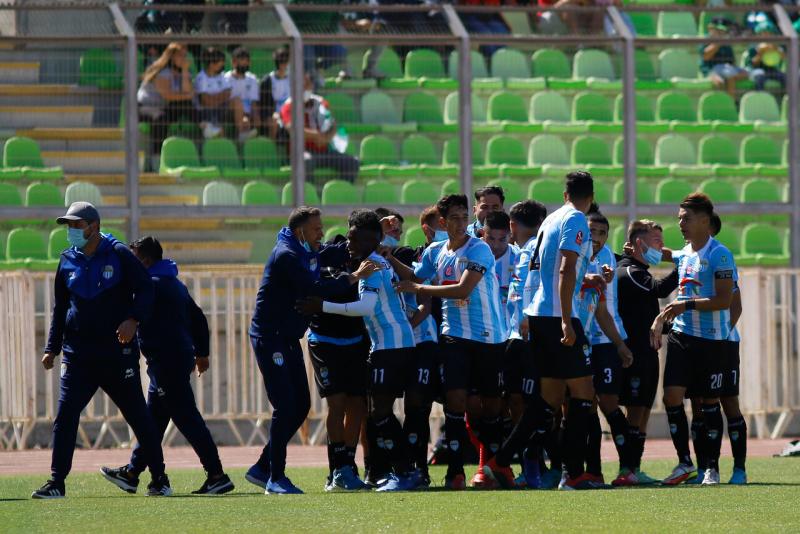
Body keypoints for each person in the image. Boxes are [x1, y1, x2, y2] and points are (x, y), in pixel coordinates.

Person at [32, 202, 169, 499]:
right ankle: (56, 482)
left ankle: (159, 478)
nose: (71, 232)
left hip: (116, 355)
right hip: (78, 355)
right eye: (68, 226)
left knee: (138, 416)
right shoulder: (66, 260)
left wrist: (134, 319)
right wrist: (52, 347)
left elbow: (146, 288)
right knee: (65, 415)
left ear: (94, 226)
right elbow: (60, 308)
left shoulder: (118, 254)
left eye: (76, 225)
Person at [483, 171, 604, 491]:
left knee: (548, 398)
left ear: (565, 194)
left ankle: (500, 460)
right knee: (583, 393)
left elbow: (545, 270)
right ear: (589, 197)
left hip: (539, 314)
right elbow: (566, 268)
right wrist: (567, 319)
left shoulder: (551, 220)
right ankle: (574, 474)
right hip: (557, 315)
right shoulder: (577, 219)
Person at [247, 206, 378, 495]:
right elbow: (317, 288)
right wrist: (354, 276)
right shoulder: (288, 256)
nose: (321, 233)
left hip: (288, 339)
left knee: (301, 407)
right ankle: (275, 478)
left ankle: (262, 468)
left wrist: (367, 237)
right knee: (285, 407)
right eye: (317, 228)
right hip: (271, 340)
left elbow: (325, 255)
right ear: (300, 231)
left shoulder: (300, 250)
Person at [99, 237, 233, 496]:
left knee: (186, 418)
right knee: (153, 421)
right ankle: (133, 472)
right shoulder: (173, 283)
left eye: (133, 258)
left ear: (145, 261)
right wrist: (202, 353)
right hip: (173, 359)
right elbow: (198, 318)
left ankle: (217, 475)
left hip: (166, 362)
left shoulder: (152, 286)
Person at [392, 194, 506, 490]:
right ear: (442, 222)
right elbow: (415, 274)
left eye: (464, 217)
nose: (460, 223)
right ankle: (455, 472)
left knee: (489, 408)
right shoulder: (435, 251)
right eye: (454, 218)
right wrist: (386, 257)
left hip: (489, 336)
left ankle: (493, 467)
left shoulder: (479, 249)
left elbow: (463, 290)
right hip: (454, 335)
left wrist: (419, 287)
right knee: (456, 401)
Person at [299, 210, 418, 492]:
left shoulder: (373, 266)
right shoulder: (376, 261)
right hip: (392, 344)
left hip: (391, 345)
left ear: (371, 240)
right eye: (349, 237)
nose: (348, 244)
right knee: (378, 412)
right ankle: (398, 471)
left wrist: (323, 306)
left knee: (380, 413)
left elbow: (364, 307)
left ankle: (405, 472)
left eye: (354, 239)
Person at [652, 193, 736, 486]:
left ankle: (711, 467)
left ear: (704, 220)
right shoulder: (685, 252)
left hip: (711, 340)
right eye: (679, 219)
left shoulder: (720, 254)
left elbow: (725, 300)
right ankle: (685, 463)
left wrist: (684, 305)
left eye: (685, 219)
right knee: (671, 397)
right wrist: (637, 250)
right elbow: (668, 254)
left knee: (709, 402)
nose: (681, 223)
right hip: (682, 335)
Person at [681, 213, 748, 486]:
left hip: (724, 343)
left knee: (728, 402)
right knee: (698, 403)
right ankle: (707, 468)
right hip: (697, 341)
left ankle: (740, 469)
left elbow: (736, 304)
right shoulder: (689, 257)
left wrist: (722, 333)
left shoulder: (720, 256)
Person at [303, 221, 370, 492]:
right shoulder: (323, 258)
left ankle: (346, 466)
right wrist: (352, 277)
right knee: (337, 403)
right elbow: (326, 290)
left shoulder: (371, 258)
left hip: (356, 340)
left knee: (357, 404)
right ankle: (337, 468)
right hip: (325, 341)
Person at [615, 220, 678, 485]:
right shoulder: (629, 271)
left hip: (646, 352)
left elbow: (646, 316)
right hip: (632, 353)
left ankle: (634, 469)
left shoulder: (640, 271)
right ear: (639, 243)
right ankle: (625, 468)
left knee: (641, 412)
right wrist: (684, 263)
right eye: (656, 243)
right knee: (633, 412)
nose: (661, 249)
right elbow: (660, 290)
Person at [582, 208, 636, 487]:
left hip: (605, 339)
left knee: (608, 403)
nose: (597, 237)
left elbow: (604, 294)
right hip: (582, 339)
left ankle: (629, 466)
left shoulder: (606, 260)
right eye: (592, 231)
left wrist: (619, 344)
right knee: (585, 405)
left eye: (602, 233)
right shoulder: (575, 255)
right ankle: (593, 470)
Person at [504, 200, 547, 487]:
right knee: (519, 401)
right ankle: (532, 465)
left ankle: (534, 465)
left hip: (530, 337)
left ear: (512, 226)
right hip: (515, 338)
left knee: (532, 403)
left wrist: (528, 318)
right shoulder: (520, 252)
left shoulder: (536, 249)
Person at [279, 74, 360, 183]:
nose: (305, 88)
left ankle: (339, 194)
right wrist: (317, 136)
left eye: (307, 85)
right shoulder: (288, 106)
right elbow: (292, 129)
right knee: (306, 162)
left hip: (324, 150)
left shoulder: (321, 102)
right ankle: (310, 196)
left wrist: (326, 139)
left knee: (352, 162)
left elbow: (333, 124)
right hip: (302, 152)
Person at [137, 42, 197, 159]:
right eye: (181, 56)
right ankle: (156, 157)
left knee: (185, 104)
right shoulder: (160, 72)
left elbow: (187, 92)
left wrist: (185, 71)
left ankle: (206, 126)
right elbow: (168, 96)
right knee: (160, 118)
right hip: (145, 107)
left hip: (164, 107)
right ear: (172, 57)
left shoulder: (184, 72)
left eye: (185, 56)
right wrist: (188, 95)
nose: (184, 59)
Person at [702, 19, 749, 98]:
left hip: (727, 69)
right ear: (711, 29)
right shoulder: (706, 40)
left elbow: (732, 62)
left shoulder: (726, 44)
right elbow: (706, 56)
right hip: (712, 70)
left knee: (745, 73)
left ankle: (732, 102)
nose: (721, 32)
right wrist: (718, 43)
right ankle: (730, 103)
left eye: (722, 30)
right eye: (718, 30)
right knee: (722, 81)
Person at [194, 46, 233, 139]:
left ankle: (242, 132)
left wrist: (212, 98)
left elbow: (228, 94)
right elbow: (205, 101)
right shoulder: (201, 77)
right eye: (221, 61)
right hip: (205, 111)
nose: (223, 64)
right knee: (209, 108)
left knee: (236, 101)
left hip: (221, 109)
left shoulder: (222, 76)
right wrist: (220, 97)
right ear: (211, 64)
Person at [225, 47, 260, 142]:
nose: (245, 63)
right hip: (229, 113)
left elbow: (253, 103)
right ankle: (242, 134)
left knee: (250, 120)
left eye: (247, 61)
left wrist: (255, 119)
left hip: (247, 114)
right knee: (237, 101)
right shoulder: (226, 79)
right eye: (242, 61)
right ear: (234, 62)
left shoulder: (252, 79)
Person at [259, 46, 291, 140]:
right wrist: (272, 114)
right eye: (286, 62)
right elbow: (264, 105)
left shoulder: (293, 79)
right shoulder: (267, 80)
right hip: (275, 114)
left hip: (290, 112)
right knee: (274, 121)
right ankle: (273, 148)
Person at [745, 20, 786, 91]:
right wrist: (761, 52)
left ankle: (789, 99)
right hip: (756, 70)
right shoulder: (753, 46)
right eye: (764, 33)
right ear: (758, 34)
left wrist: (776, 49)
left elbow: (784, 58)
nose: (767, 35)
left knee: (785, 77)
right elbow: (754, 63)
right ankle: (761, 99)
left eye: (769, 33)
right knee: (759, 77)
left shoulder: (775, 46)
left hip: (772, 70)